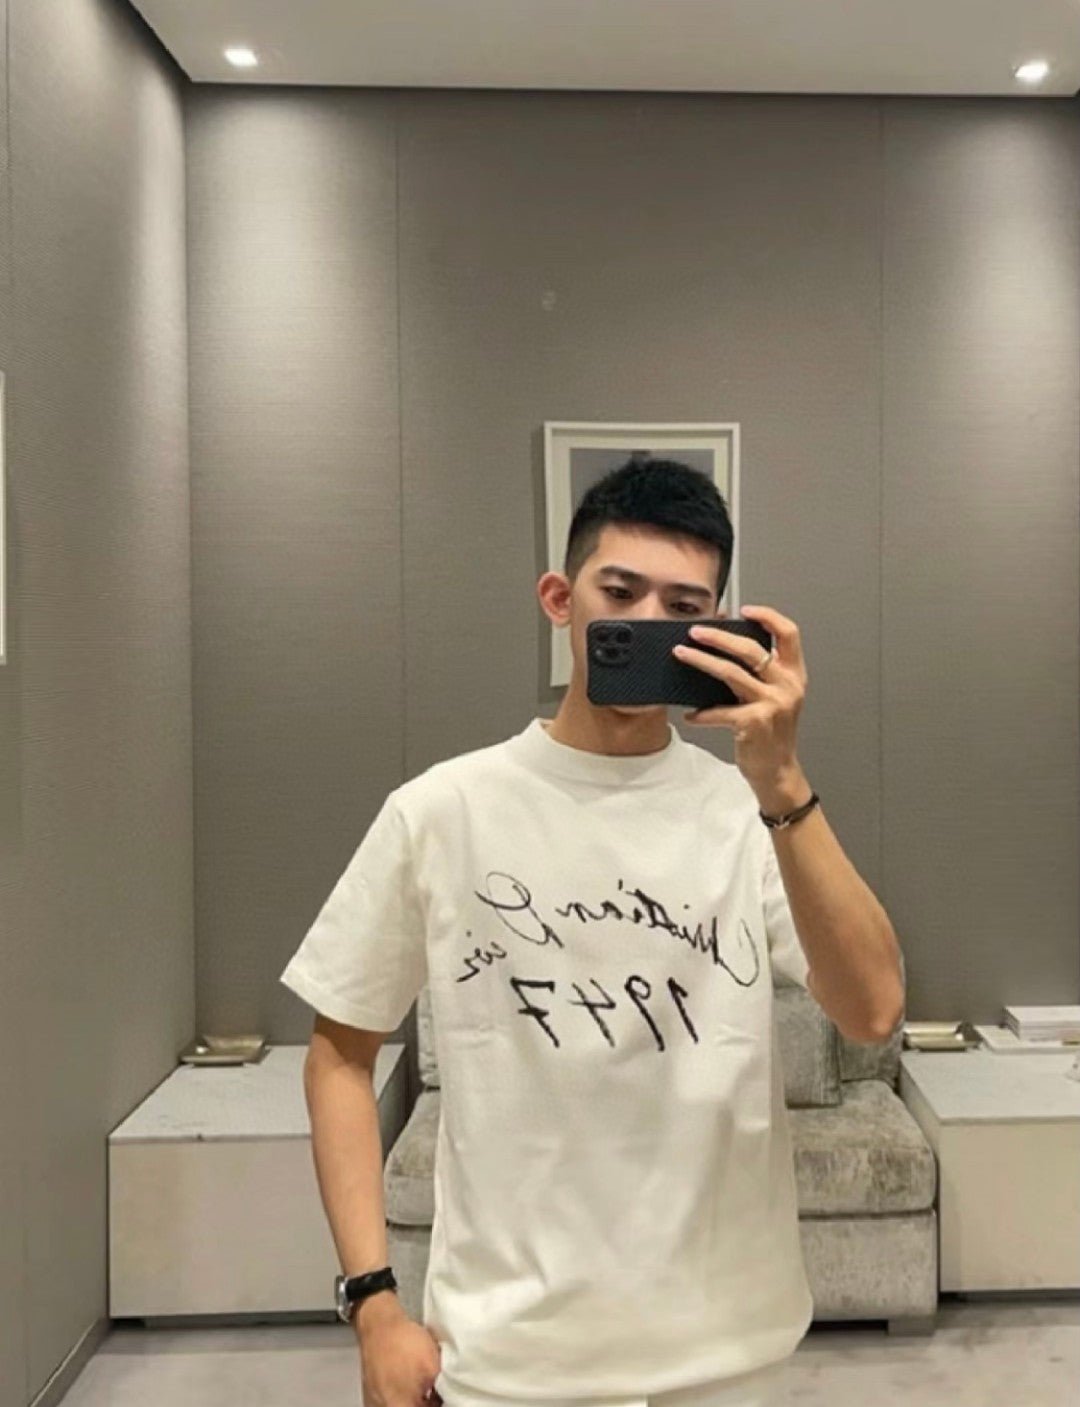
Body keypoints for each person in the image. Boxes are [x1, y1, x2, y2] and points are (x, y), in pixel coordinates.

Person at [280, 458, 905, 1407]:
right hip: (509, 1357)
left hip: (729, 1346)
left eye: (681, 607)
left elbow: (873, 1010)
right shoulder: (442, 810)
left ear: (715, 626)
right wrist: (373, 1305)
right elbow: (339, 1052)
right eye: (620, 593)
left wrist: (781, 778)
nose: (646, 622)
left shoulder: (752, 812)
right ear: (560, 599)